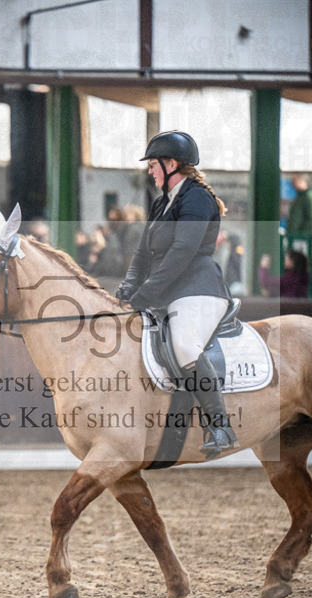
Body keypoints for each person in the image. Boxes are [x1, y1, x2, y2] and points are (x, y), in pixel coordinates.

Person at [115, 130, 238, 458]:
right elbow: (142, 254)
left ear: (171, 164)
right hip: (167, 291)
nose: (150, 171)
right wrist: (128, 288)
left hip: (198, 288)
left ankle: (220, 425)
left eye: (153, 165)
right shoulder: (160, 203)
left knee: (185, 346)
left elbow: (183, 250)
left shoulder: (196, 198)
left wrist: (147, 291)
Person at [286, 173, 312, 238]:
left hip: (303, 236)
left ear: (302, 181)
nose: (292, 184)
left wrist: (303, 233)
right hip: (294, 234)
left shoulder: (309, 196)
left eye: (294, 181)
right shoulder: (299, 196)